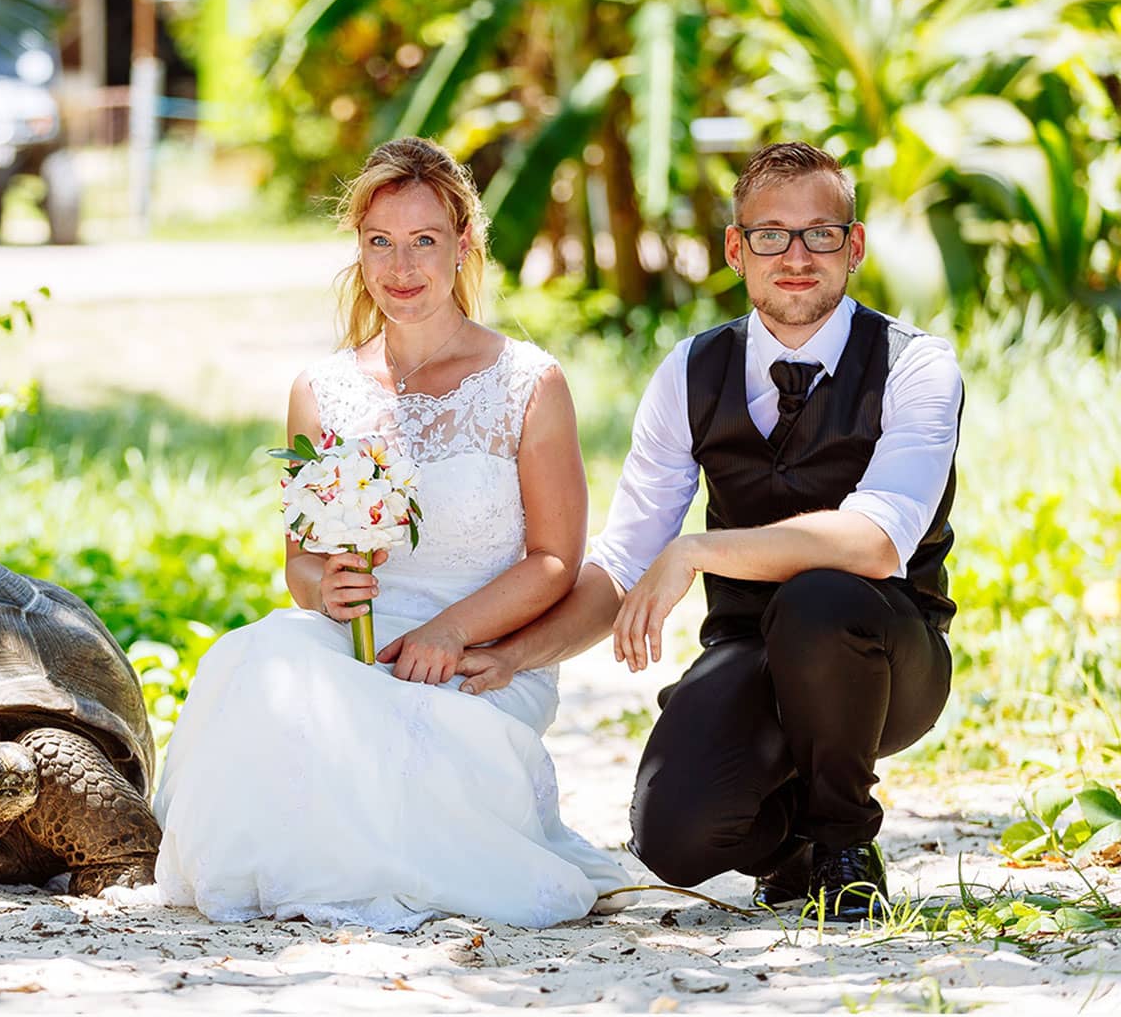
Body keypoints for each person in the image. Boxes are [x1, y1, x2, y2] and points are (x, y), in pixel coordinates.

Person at [454, 141, 962, 920]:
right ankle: (790, 845)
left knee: (820, 600)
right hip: (750, 650)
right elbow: (623, 561)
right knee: (672, 836)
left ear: (853, 246)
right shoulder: (690, 372)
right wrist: (512, 654)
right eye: (770, 235)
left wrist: (697, 549)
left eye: (821, 233)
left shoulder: (916, 366)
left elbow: (877, 542)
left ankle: (844, 844)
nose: (796, 257)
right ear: (736, 248)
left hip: (888, 657)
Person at [151, 137, 631, 930]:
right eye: (380, 242)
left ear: (463, 244)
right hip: (354, 643)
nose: (400, 267)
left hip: (477, 651)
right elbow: (299, 564)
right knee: (260, 657)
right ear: (359, 249)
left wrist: (451, 630)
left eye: (423, 242)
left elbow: (555, 559)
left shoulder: (527, 383)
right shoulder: (322, 389)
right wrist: (323, 586)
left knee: (388, 754)